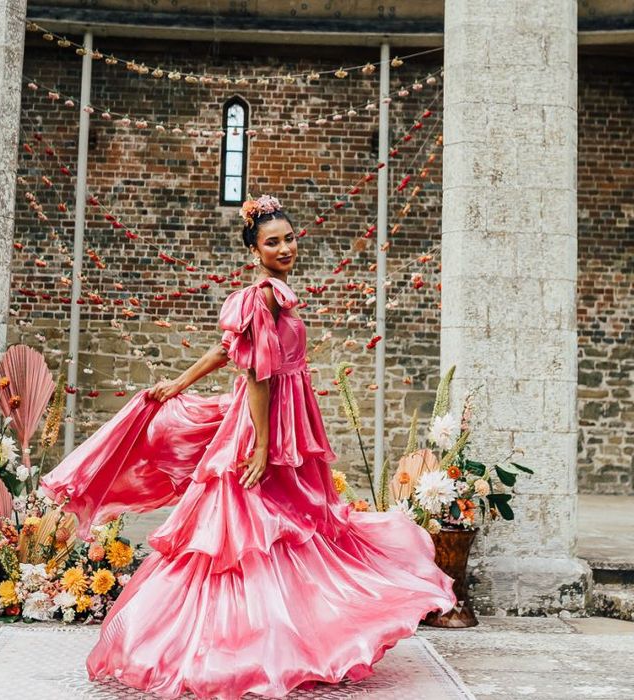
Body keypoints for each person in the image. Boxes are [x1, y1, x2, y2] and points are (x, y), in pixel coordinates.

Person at [40, 194, 456, 699]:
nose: (285, 247)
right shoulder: (262, 296)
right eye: (272, 242)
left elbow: (225, 348)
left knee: (292, 527)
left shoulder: (270, 295)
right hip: (268, 424)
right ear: (254, 252)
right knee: (251, 528)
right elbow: (256, 373)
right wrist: (261, 446)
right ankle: (245, 647)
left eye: (289, 238)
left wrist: (180, 381)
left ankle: (291, 642)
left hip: (289, 419)